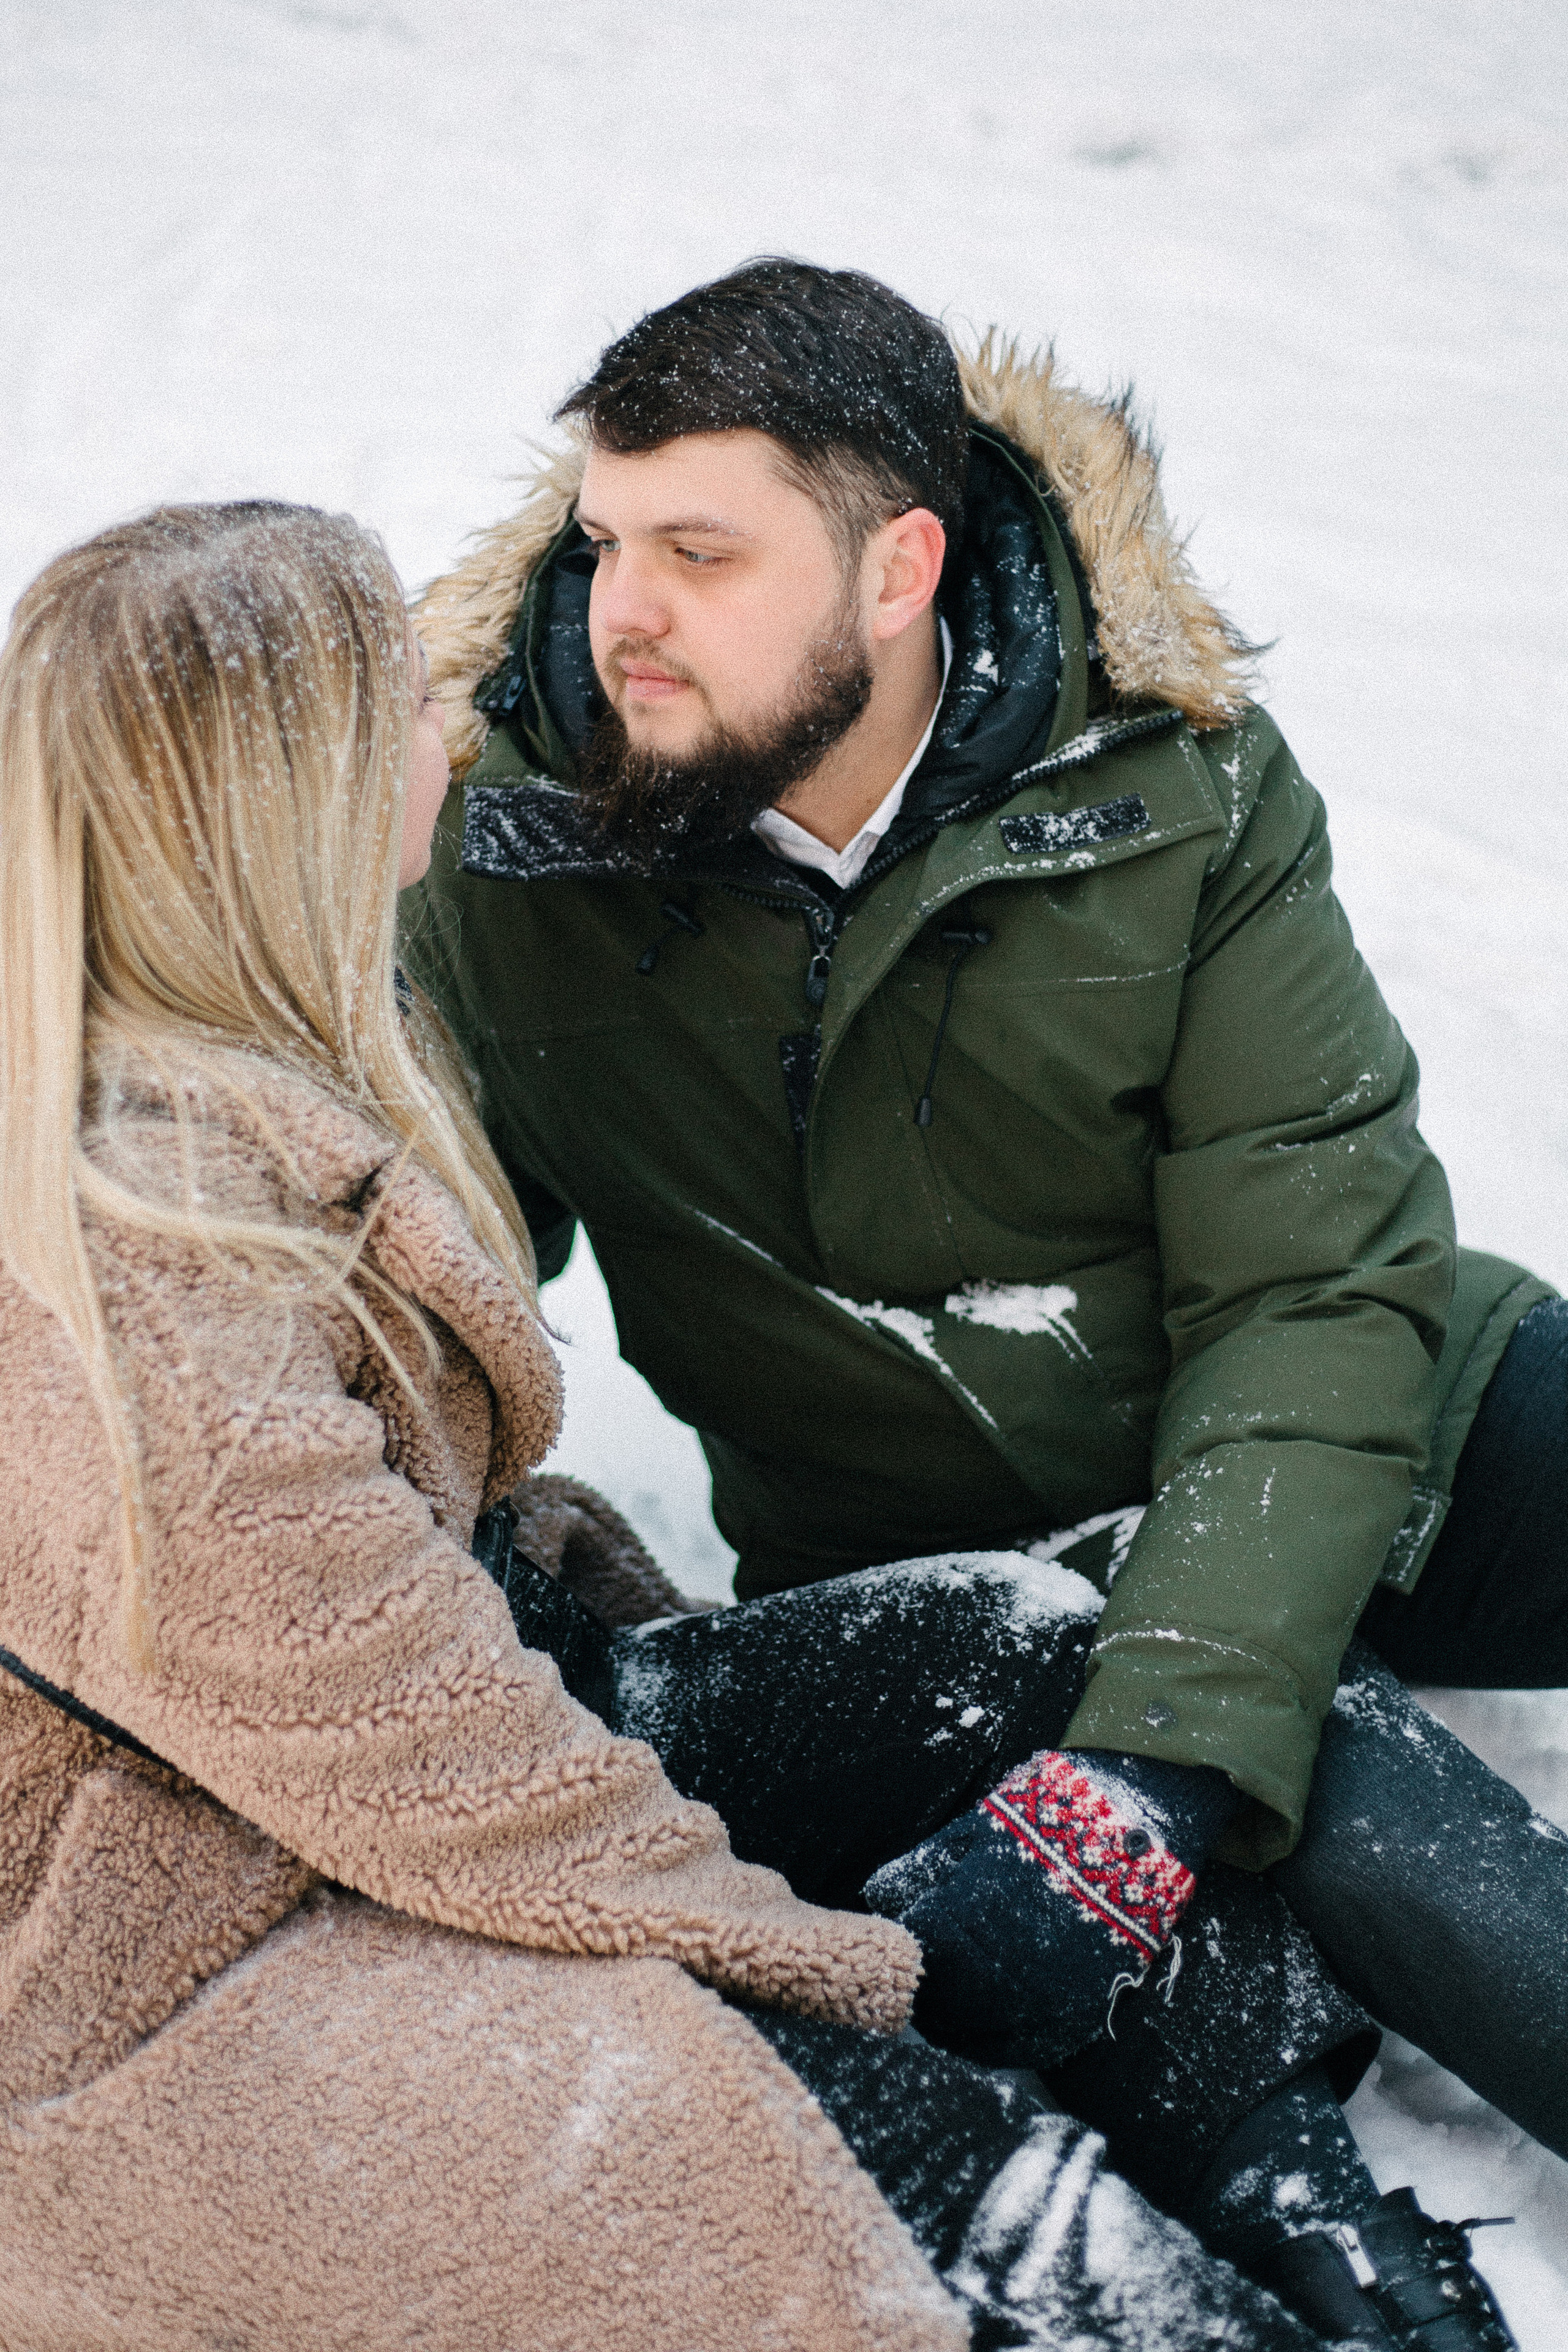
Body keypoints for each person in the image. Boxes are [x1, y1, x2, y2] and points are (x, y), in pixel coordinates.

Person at [0, 498, 1362, 2352]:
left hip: (396, 1769)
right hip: (200, 1936)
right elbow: (433, 1767)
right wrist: (873, 1983)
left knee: (1041, 1653)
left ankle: (1324, 2222)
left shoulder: (292, 1033)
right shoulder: (130, 1259)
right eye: (406, 702)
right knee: (810, 2129)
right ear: (278, 797)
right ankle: (1133, 2272)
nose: (459, 730)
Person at [407, 258, 1568, 2330]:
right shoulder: (508, 853)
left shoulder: (1169, 782)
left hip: (1371, 1425)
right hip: (982, 1567)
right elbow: (386, 1262)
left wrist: (1166, 1758)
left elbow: (1317, 1290)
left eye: (700, 551)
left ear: (898, 570)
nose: (622, 614)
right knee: (1346, 1794)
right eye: (601, 543)